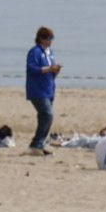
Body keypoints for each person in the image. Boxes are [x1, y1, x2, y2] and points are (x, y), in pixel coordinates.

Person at [24, 27, 61, 155]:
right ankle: (37, 143)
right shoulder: (35, 52)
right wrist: (48, 69)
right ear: (41, 38)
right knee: (47, 114)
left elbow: (51, 71)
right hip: (37, 90)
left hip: (49, 88)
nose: (50, 42)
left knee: (45, 117)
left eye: (51, 39)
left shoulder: (50, 52)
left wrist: (55, 70)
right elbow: (32, 69)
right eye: (48, 39)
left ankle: (39, 144)